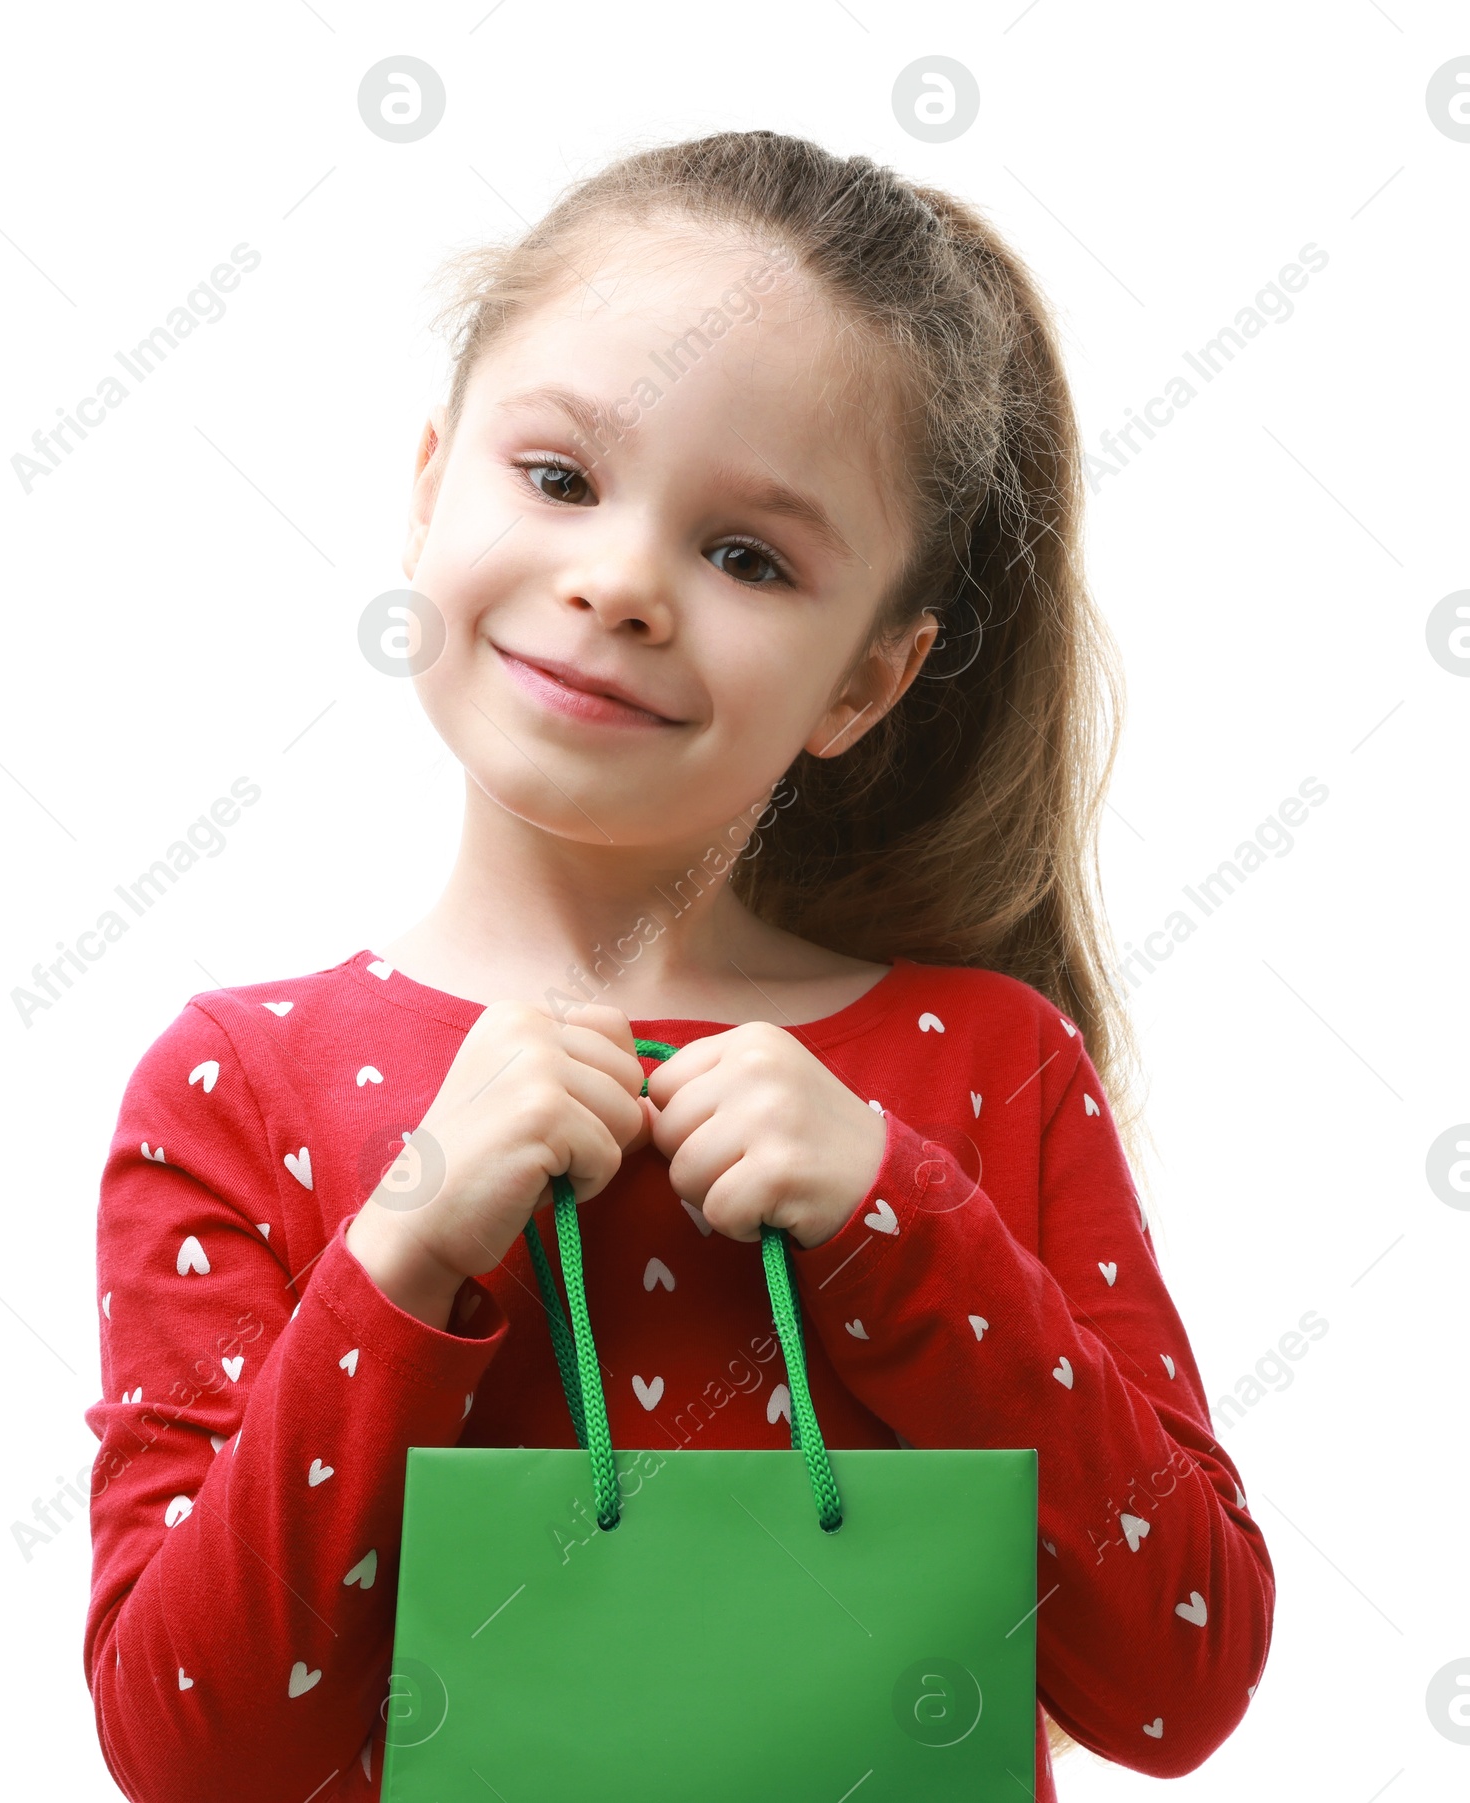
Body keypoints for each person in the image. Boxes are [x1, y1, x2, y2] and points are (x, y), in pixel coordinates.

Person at [82, 129, 1273, 1801]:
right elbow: (192, 1753)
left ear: (869, 678)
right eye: (560, 478)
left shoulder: (982, 1066)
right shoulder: (239, 1086)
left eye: (749, 557)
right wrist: (410, 1244)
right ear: (431, 483)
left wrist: (903, 1222)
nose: (624, 582)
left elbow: (1179, 1676)